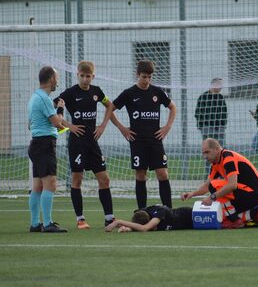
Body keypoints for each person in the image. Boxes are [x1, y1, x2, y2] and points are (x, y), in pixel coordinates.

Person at [54, 61, 115, 229]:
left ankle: (109, 218)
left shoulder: (97, 92)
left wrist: (102, 125)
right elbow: (53, 107)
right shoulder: (70, 93)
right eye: (82, 76)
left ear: (93, 76)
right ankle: (80, 219)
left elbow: (110, 105)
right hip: (77, 143)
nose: (85, 79)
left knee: (104, 179)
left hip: (92, 142)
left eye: (88, 76)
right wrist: (68, 125)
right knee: (77, 179)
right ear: (78, 75)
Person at [111, 60, 176, 209]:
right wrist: (122, 128)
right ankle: (142, 211)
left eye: (149, 77)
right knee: (141, 175)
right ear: (137, 75)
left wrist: (167, 127)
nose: (147, 80)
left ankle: (169, 211)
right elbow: (110, 109)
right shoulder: (129, 93)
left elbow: (173, 108)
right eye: (144, 77)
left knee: (163, 174)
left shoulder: (157, 92)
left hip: (155, 140)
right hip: (137, 140)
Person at [180, 138, 258, 229]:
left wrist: (212, 197)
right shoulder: (215, 164)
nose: (205, 156)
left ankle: (234, 220)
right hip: (245, 193)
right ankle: (257, 213)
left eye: (207, 152)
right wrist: (192, 194)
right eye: (203, 153)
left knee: (215, 188)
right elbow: (207, 185)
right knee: (221, 214)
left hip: (253, 193)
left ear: (216, 149)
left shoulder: (227, 157)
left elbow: (232, 185)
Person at [27, 66, 67, 233]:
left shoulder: (34, 97)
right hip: (44, 145)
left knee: (37, 186)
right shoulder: (44, 98)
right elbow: (57, 123)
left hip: (36, 144)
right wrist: (60, 109)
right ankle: (48, 223)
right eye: (56, 78)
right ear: (51, 79)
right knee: (50, 184)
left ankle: (35, 223)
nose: (57, 81)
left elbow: (30, 125)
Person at [195, 78, 228, 175]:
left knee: (220, 150)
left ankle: (221, 173)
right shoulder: (203, 97)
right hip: (207, 128)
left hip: (219, 128)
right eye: (219, 85)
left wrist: (223, 124)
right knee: (208, 151)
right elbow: (198, 112)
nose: (221, 87)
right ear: (213, 85)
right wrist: (201, 126)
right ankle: (209, 174)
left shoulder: (221, 97)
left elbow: (224, 112)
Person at [105, 205, 193, 232]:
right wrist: (127, 228)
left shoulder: (160, 213)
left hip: (191, 216)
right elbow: (138, 224)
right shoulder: (141, 212)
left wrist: (119, 222)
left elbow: (144, 228)